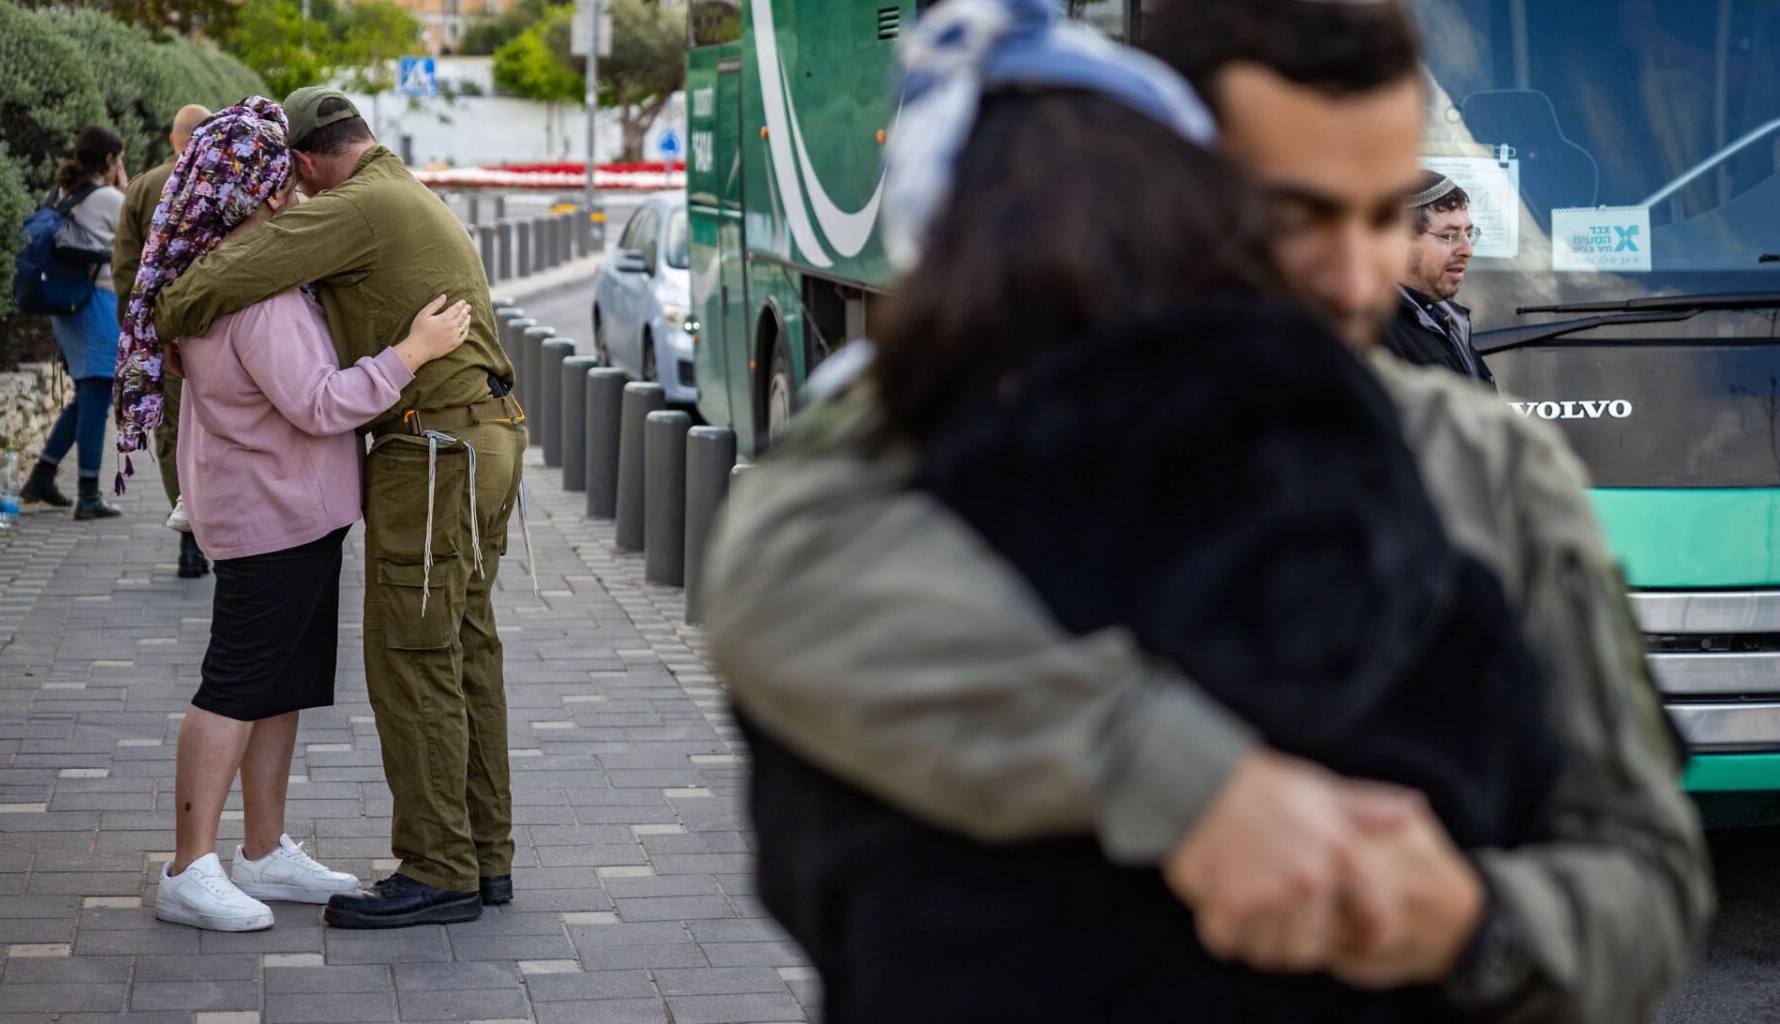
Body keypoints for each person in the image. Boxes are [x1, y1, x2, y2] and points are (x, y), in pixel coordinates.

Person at [706, 0, 1709, 1020]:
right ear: (1166, 196)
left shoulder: (1490, 466)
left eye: (1384, 216)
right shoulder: (990, 427)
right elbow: (775, 562)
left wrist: (1476, 925)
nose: (1358, 276)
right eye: (1294, 215)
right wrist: (1188, 781)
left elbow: (1650, 884)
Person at [141, 88, 526, 930]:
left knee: (414, 658)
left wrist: (161, 309)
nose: (293, 198)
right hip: (468, 441)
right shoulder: (399, 189)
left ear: (310, 163)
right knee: (461, 649)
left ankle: (439, 869)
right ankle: (480, 858)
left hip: (435, 454)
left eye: (296, 182)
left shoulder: (354, 203)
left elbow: (238, 269)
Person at [114, 103, 214, 578]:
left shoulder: (144, 186)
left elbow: (125, 272)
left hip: (166, 333)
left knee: (174, 434)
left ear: (174, 139)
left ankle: (189, 537)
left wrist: (138, 337)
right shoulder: (228, 180)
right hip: (225, 328)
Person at [20, 124, 129, 519]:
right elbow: (140, 240)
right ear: (109, 160)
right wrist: (125, 187)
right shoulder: (109, 198)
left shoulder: (61, 192)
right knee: (97, 395)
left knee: (86, 394)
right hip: (96, 304)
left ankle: (43, 475)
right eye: (119, 158)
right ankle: (88, 495)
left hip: (67, 307)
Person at [1383, 170, 1493, 386]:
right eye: (1449, 236)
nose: (1467, 250)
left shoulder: (1442, 320)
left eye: (1468, 234)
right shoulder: (1374, 335)